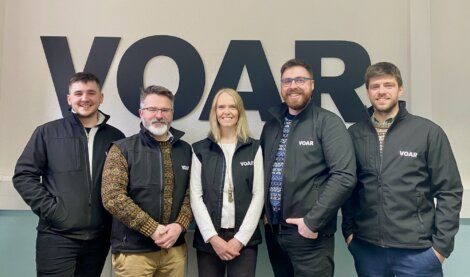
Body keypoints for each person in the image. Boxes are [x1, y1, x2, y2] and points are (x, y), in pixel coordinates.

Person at [342, 62, 463, 277]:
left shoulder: (427, 132)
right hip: (368, 250)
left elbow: (449, 191)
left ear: (400, 89)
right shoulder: (354, 134)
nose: (381, 91)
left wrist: (440, 248)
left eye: (388, 85)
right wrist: (350, 234)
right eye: (375, 86)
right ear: (368, 92)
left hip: (418, 252)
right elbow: (348, 187)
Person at [12, 72, 125, 276]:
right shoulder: (47, 132)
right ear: (69, 99)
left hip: (98, 238)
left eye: (91, 92)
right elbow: (23, 176)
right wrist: (53, 211)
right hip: (56, 236)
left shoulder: (116, 137)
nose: (85, 98)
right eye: (78, 93)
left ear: (101, 97)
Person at [260, 58, 356, 276]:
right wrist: (265, 212)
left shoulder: (328, 123)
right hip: (275, 232)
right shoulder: (272, 125)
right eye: (287, 81)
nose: (293, 85)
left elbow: (344, 177)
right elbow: (264, 172)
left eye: (300, 80)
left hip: (310, 235)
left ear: (312, 85)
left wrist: (312, 222)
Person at [101, 85, 192, 277]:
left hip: (174, 251)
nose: (159, 115)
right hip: (133, 253)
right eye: (152, 109)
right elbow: (112, 197)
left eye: (165, 110)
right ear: (141, 112)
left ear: (172, 113)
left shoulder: (185, 151)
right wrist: (152, 229)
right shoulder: (122, 149)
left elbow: (192, 194)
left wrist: (179, 225)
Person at [190, 88, 264, 277]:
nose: (227, 111)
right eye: (221, 106)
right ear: (214, 112)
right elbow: (196, 197)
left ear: (239, 111)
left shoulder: (254, 148)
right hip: (209, 241)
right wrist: (213, 238)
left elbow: (258, 196)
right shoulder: (200, 150)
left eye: (232, 106)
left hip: (244, 240)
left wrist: (240, 239)